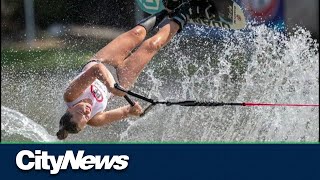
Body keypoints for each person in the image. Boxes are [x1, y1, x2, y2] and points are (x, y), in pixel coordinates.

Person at [57, 1, 216, 140]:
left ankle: (168, 9)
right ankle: (186, 12)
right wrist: (136, 111)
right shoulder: (95, 119)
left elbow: (96, 70)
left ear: (70, 108)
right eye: (86, 117)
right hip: (121, 79)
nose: (87, 112)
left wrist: (112, 87)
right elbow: (127, 111)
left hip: (104, 61)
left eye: (81, 113)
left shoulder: (71, 95)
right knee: (152, 45)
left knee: (137, 33)